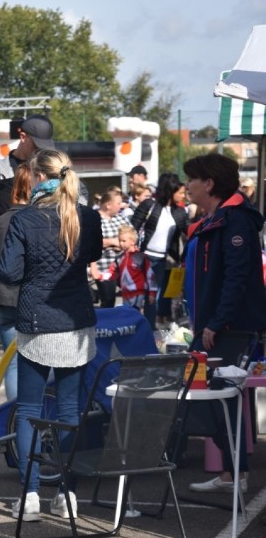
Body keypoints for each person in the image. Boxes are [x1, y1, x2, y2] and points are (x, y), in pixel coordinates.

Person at [0, 149, 102, 522]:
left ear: (40, 177)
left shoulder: (26, 218)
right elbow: (93, 253)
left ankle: (29, 496)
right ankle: (67, 493)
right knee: (70, 410)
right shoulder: (86, 216)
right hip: (75, 321)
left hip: (36, 321)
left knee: (28, 409)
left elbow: (8, 273)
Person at [183, 153, 266, 494]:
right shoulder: (216, 219)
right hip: (213, 324)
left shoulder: (236, 221)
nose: (187, 185)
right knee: (215, 397)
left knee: (216, 395)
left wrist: (216, 323)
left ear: (209, 184)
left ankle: (236, 475)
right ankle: (233, 474)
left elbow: (236, 278)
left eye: (192, 179)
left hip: (228, 327)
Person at [0, 163, 32, 402]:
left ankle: (13, 423)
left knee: (12, 364)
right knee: (40, 364)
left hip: (2, 300)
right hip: (32, 301)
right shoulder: (39, 222)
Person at [130, 173, 189, 328]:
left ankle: (159, 323)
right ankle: (148, 327)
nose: (183, 196)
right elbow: (133, 226)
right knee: (148, 294)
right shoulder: (149, 205)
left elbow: (189, 231)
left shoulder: (180, 212)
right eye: (180, 192)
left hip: (167, 259)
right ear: (170, 190)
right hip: (145, 257)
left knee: (163, 294)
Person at [0, 114, 56, 233]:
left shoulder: (50, 168)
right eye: (37, 146)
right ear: (23, 137)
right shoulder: (1, 171)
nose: (41, 151)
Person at [104, 225, 157, 312]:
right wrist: (100, 276)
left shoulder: (140, 257)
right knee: (128, 316)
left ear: (132, 241)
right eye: (119, 240)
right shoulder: (120, 258)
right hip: (125, 294)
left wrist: (152, 293)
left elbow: (150, 275)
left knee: (134, 313)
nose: (121, 243)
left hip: (138, 293)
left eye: (124, 241)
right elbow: (112, 272)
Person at [89, 189, 127, 308]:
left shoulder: (120, 218)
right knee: (108, 300)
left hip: (123, 265)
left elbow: (131, 235)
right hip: (104, 267)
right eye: (118, 203)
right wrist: (112, 241)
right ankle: (105, 325)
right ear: (108, 205)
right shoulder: (94, 218)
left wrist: (117, 243)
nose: (120, 206)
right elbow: (91, 242)